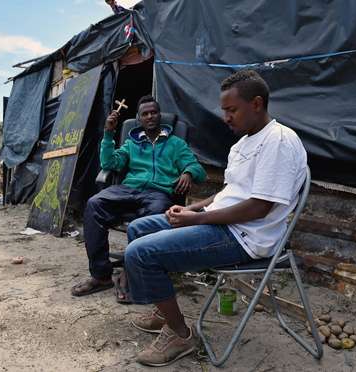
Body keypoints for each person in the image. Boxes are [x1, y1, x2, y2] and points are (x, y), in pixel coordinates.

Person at [123, 70, 308, 366]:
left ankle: (182, 335)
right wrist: (192, 210)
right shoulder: (242, 143)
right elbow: (229, 193)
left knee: (140, 254)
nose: (226, 117)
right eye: (224, 110)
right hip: (220, 222)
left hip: (246, 237)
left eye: (232, 110)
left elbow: (259, 208)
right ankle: (164, 312)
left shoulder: (278, 141)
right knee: (139, 228)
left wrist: (196, 221)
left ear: (257, 103)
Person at [71, 95, 206, 297]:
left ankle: (132, 270)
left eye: (154, 112)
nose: (150, 116)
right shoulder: (132, 143)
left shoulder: (175, 144)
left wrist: (188, 172)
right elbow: (109, 164)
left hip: (158, 193)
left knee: (151, 215)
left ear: (160, 115)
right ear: (139, 119)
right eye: (145, 114)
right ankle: (101, 276)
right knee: (94, 204)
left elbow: (198, 169)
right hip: (128, 190)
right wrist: (108, 133)